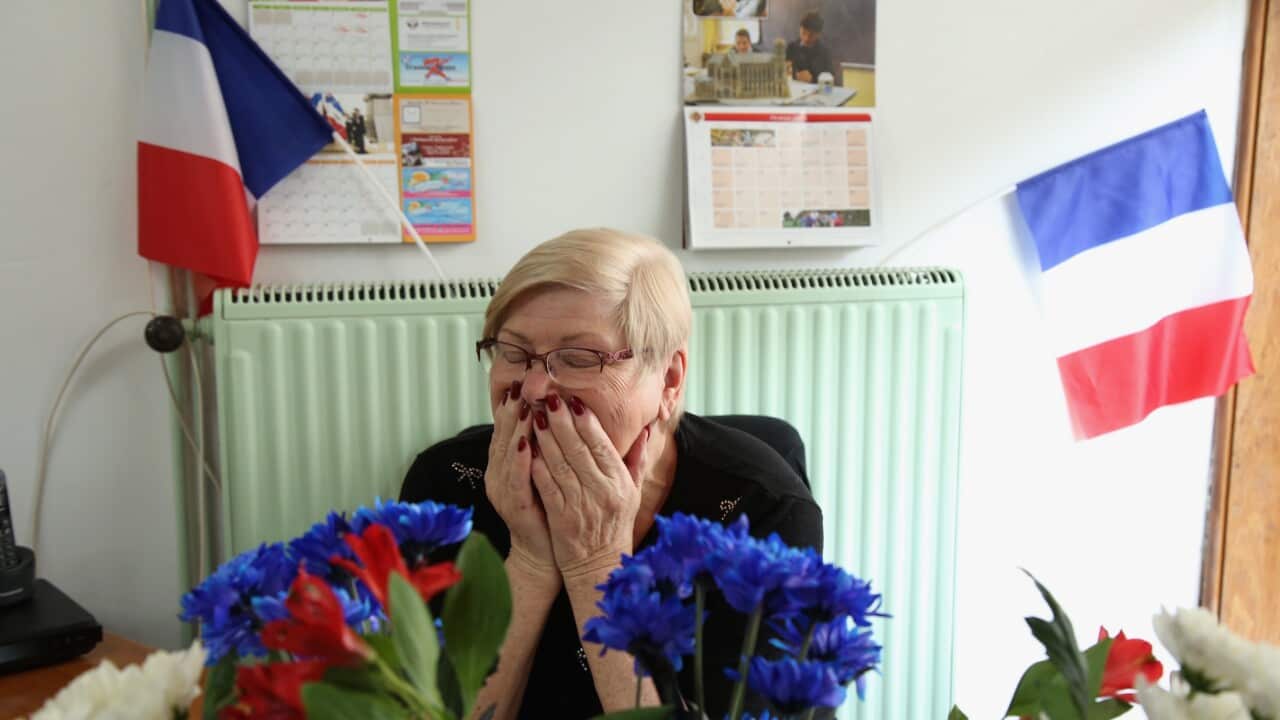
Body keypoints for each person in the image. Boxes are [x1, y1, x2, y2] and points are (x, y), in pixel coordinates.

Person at [400, 228, 823, 719]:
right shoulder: (445, 483)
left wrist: (596, 563)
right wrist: (533, 563)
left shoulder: (762, 505)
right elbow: (433, 712)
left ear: (669, 379)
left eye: (579, 359)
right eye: (513, 353)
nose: (535, 389)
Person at [785, 11, 836, 84]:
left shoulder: (825, 51)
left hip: (816, 92)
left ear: (819, 34)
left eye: (811, 35)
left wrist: (813, 79)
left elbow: (831, 79)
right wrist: (795, 75)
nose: (806, 38)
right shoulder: (791, 48)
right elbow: (782, 73)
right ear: (800, 29)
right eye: (803, 33)